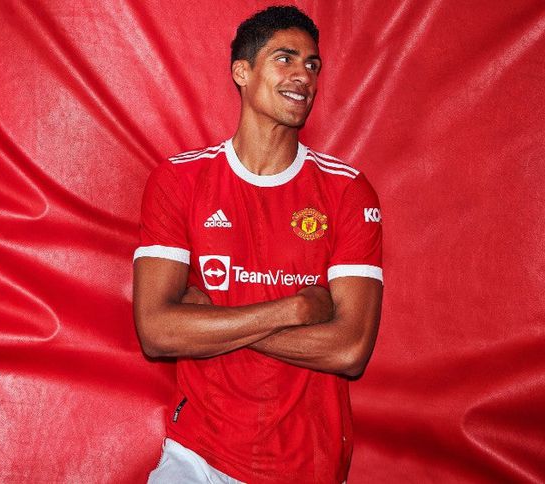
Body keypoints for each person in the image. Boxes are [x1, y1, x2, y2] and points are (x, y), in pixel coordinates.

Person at [133, 5, 383, 483]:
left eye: (312, 64)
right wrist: (293, 310)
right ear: (241, 72)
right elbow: (157, 332)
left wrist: (209, 322)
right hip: (198, 455)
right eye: (285, 59)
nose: (304, 76)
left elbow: (349, 349)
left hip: (305, 464)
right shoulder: (179, 180)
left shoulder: (347, 191)